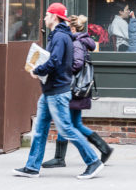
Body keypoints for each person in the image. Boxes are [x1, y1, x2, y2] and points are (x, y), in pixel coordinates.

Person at [13, 2, 103, 179]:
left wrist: (36, 70)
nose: (44, 18)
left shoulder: (60, 37)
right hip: (50, 92)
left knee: (67, 129)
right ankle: (32, 167)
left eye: (47, 15)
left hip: (57, 92)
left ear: (54, 16)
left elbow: (54, 62)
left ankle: (93, 161)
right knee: (39, 130)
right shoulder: (60, 36)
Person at [41, 15, 113, 169]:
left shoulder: (76, 42)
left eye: (67, 26)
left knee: (67, 123)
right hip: (75, 90)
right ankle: (103, 148)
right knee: (73, 124)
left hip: (73, 89)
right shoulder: (77, 40)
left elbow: (78, 63)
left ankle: (61, 158)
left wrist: (63, 70)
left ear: (72, 29)